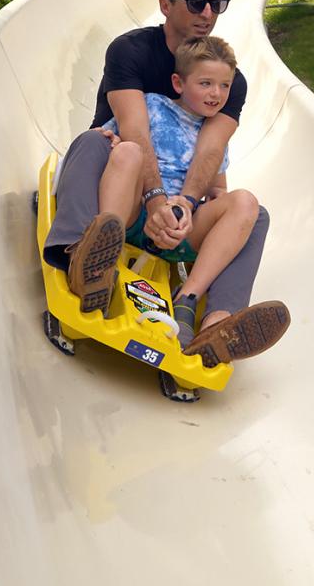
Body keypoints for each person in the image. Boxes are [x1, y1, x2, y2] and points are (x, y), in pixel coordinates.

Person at [42, 0, 289, 367]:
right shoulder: (132, 51)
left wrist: (185, 206)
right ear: (165, 4)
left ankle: (216, 321)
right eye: (196, 2)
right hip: (117, 176)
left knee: (253, 212)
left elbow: (212, 150)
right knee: (100, 143)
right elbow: (134, 129)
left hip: (175, 206)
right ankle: (83, 256)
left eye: (217, 3)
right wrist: (157, 200)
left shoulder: (231, 81)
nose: (208, 12)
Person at [105, 34, 273, 354]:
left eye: (224, 86)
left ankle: (192, 304)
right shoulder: (152, 107)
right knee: (127, 153)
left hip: (182, 230)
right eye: (206, 83)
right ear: (178, 83)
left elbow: (218, 189)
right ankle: (100, 263)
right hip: (134, 214)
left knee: (246, 202)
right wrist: (107, 139)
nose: (217, 94)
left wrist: (208, 202)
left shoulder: (215, 137)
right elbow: (114, 140)